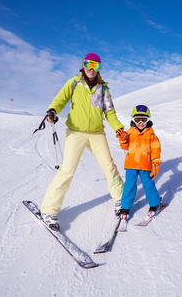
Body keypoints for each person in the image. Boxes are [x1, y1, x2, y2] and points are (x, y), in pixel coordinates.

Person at [40, 53, 128, 231]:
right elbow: (60, 99)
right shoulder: (73, 83)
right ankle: (49, 210)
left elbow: (110, 114)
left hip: (97, 133)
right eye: (89, 64)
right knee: (67, 170)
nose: (91, 69)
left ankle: (121, 201)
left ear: (99, 69)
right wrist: (52, 110)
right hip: (75, 132)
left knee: (109, 166)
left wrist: (119, 128)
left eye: (96, 66)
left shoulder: (103, 90)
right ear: (83, 65)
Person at [118, 105, 162, 227]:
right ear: (133, 120)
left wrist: (156, 164)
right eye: (138, 120)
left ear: (148, 120)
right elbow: (125, 146)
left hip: (145, 164)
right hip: (131, 164)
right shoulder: (130, 133)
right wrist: (123, 139)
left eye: (144, 119)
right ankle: (125, 208)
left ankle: (155, 204)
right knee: (129, 185)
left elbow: (156, 151)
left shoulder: (152, 136)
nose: (141, 123)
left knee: (148, 184)